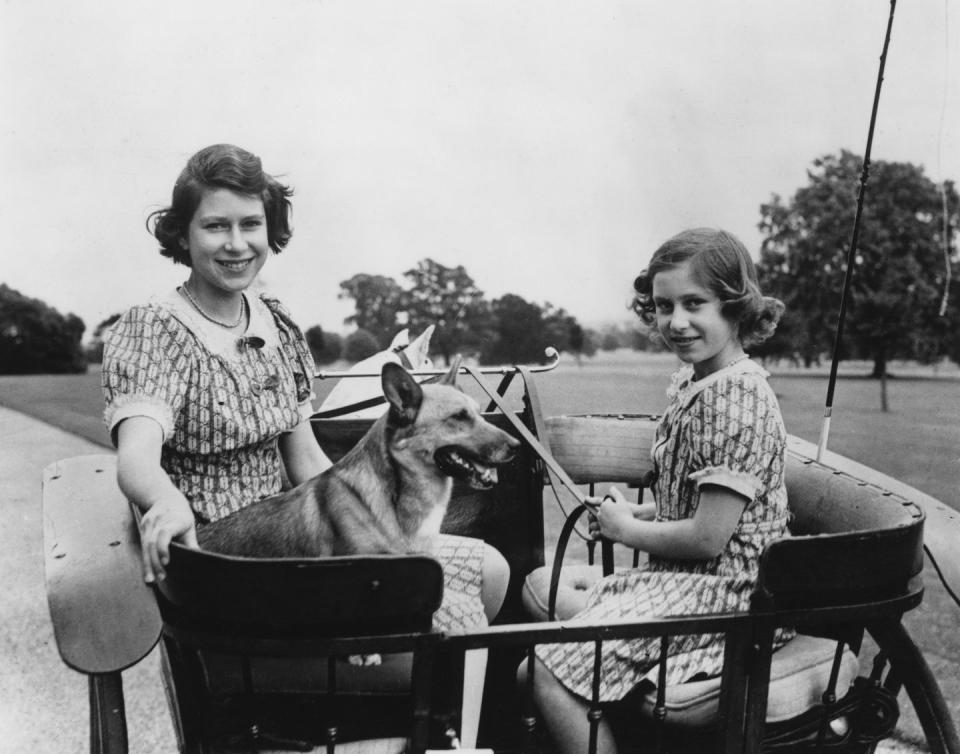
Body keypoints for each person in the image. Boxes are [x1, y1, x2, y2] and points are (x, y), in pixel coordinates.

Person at [102, 143, 508, 629]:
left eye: (250, 224)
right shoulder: (153, 328)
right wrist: (167, 503)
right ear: (183, 235)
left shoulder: (276, 323)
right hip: (225, 565)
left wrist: (378, 524)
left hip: (298, 538)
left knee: (492, 573)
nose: (237, 244)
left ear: (268, 230)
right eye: (215, 226)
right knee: (456, 621)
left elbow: (307, 462)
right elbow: (137, 458)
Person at [520, 228, 792, 753]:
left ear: (735, 306)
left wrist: (628, 531)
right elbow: (694, 505)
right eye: (665, 305)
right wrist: (641, 513)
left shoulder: (735, 397)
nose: (677, 321)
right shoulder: (701, 382)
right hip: (687, 582)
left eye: (695, 303)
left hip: (730, 597)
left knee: (541, 672)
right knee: (540, 604)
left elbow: (708, 539)